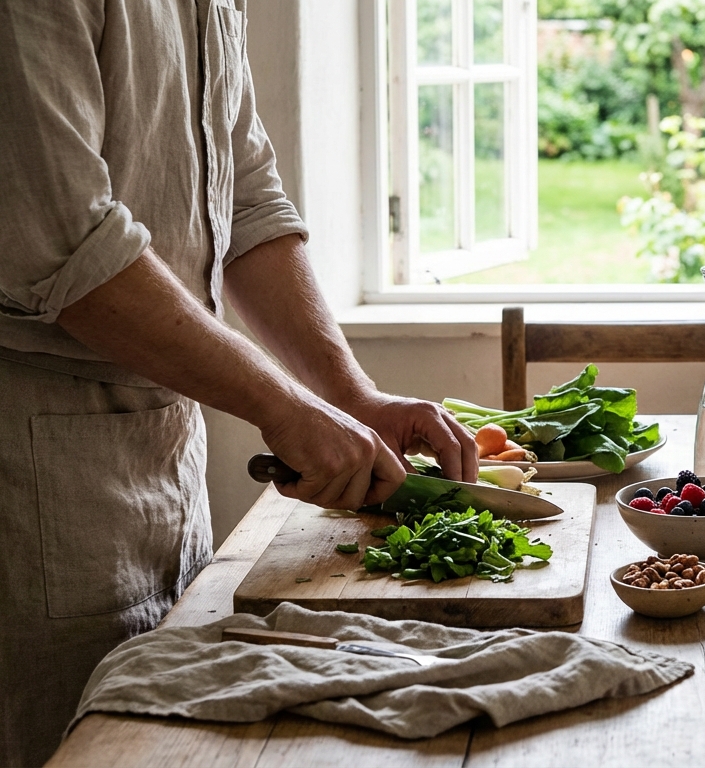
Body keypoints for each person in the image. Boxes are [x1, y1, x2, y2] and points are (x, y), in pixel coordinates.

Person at [0, 2, 478, 764]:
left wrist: (351, 397)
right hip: (32, 467)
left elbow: (247, 202)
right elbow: (65, 243)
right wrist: (286, 406)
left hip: (162, 458)